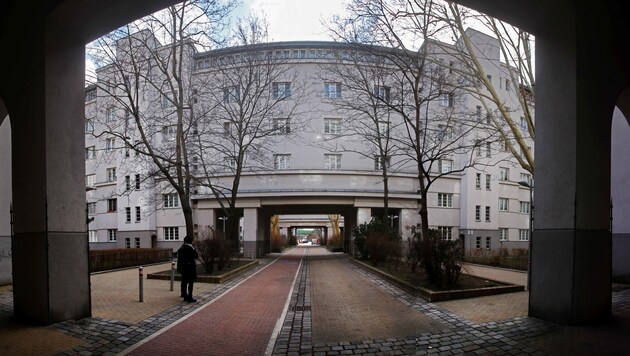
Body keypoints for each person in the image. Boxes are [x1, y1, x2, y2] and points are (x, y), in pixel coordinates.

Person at [177, 235, 198, 302]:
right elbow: (196, 256)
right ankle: (190, 297)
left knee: (184, 282)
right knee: (191, 282)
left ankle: (184, 295)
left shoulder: (181, 248)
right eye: (193, 241)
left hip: (184, 268)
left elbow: (179, 259)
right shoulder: (191, 248)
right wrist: (194, 248)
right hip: (190, 268)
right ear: (191, 241)